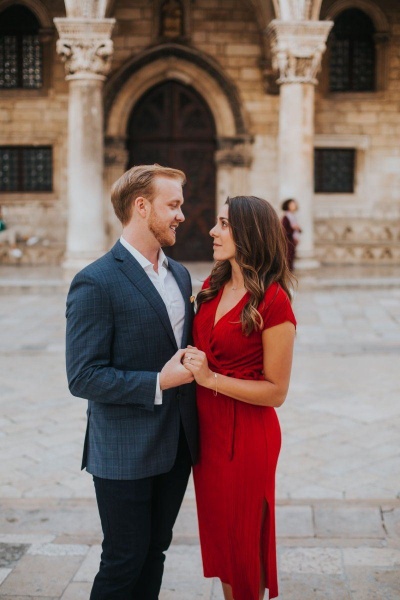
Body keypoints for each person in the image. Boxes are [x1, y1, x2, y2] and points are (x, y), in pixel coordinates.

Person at [65, 164, 198, 600]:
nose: (182, 214)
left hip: (176, 446)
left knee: (155, 552)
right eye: (173, 205)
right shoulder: (95, 281)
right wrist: (158, 381)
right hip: (123, 450)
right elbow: (83, 376)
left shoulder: (180, 275)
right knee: (123, 561)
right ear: (141, 207)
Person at [182, 196, 296, 600]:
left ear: (250, 233)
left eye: (224, 224)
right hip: (208, 435)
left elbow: (276, 391)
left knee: (245, 540)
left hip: (248, 436)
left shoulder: (274, 300)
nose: (213, 231)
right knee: (224, 541)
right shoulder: (211, 288)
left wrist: (210, 378)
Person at [281, 198, 302, 271]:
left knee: (292, 257)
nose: (294, 206)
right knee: (288, 257)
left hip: (292, 241)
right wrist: (293, 228)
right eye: (292, 204)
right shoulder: (286, 217)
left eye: (294, 204)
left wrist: (297, 229)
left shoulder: (292, 217)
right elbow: (284, 230)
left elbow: (297, 229)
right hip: (288, 241)